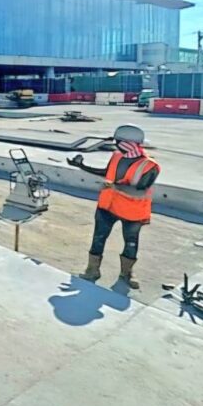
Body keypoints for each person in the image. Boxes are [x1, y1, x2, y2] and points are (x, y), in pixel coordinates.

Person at [67, 124, 160, 289]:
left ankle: (127, 273)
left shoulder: (149, 165)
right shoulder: (117, 156)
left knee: (131, 242)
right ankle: (92, 270)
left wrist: (114, 187)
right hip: (107, 206)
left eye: (118, 142)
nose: (115, 145)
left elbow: (140, 191)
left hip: (132, 211)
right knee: (98, 239)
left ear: (126, 143)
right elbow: (107, 173)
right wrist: (82, 166)